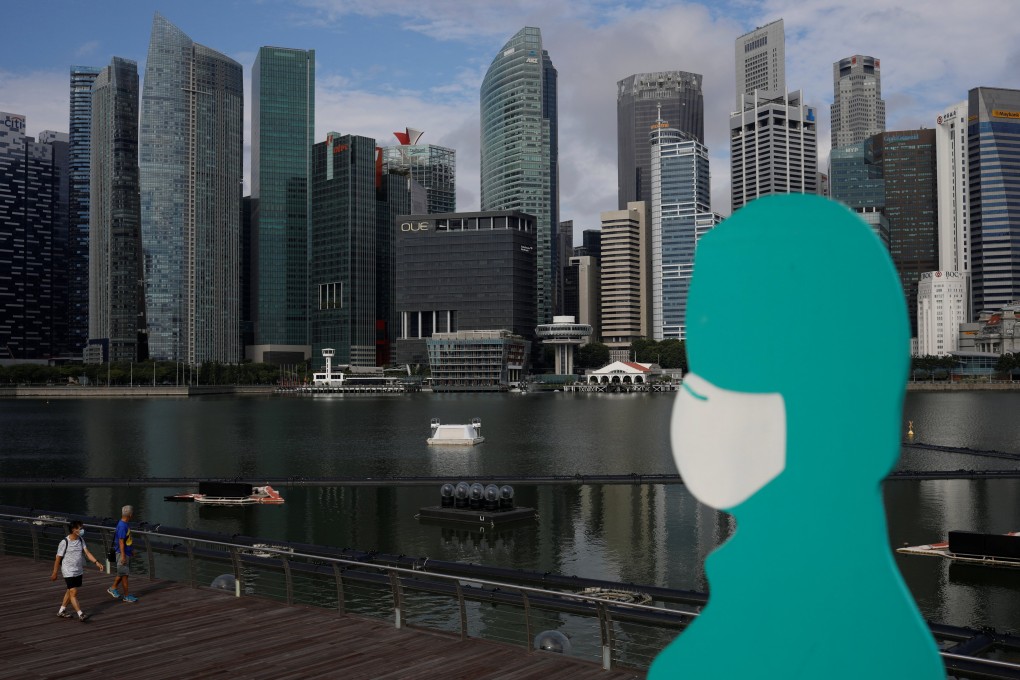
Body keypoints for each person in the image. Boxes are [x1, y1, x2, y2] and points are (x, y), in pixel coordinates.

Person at [51, 520, 104, 622]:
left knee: (70, 591)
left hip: (78, 570)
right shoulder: (64, 542)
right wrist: (54, 572)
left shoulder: (80, 540)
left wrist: (96, 562)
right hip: (68, 570)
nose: (82, 530)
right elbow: (58, 558)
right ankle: (80, 614)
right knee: (73, 591)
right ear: (73, 529)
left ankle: (62, 610)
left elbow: (87, 553)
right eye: (80, 528)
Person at [107, 505, 138, 603]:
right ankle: (126, 596)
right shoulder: (122, 526)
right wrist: (123, 556)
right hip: (122, 553)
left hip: (126, 552)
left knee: (123, 573)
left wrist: (131, 549)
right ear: (130, 514)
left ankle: (113, 588)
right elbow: (121, 542)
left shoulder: (124, 524)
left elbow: (127, 540)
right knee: (124, 575)